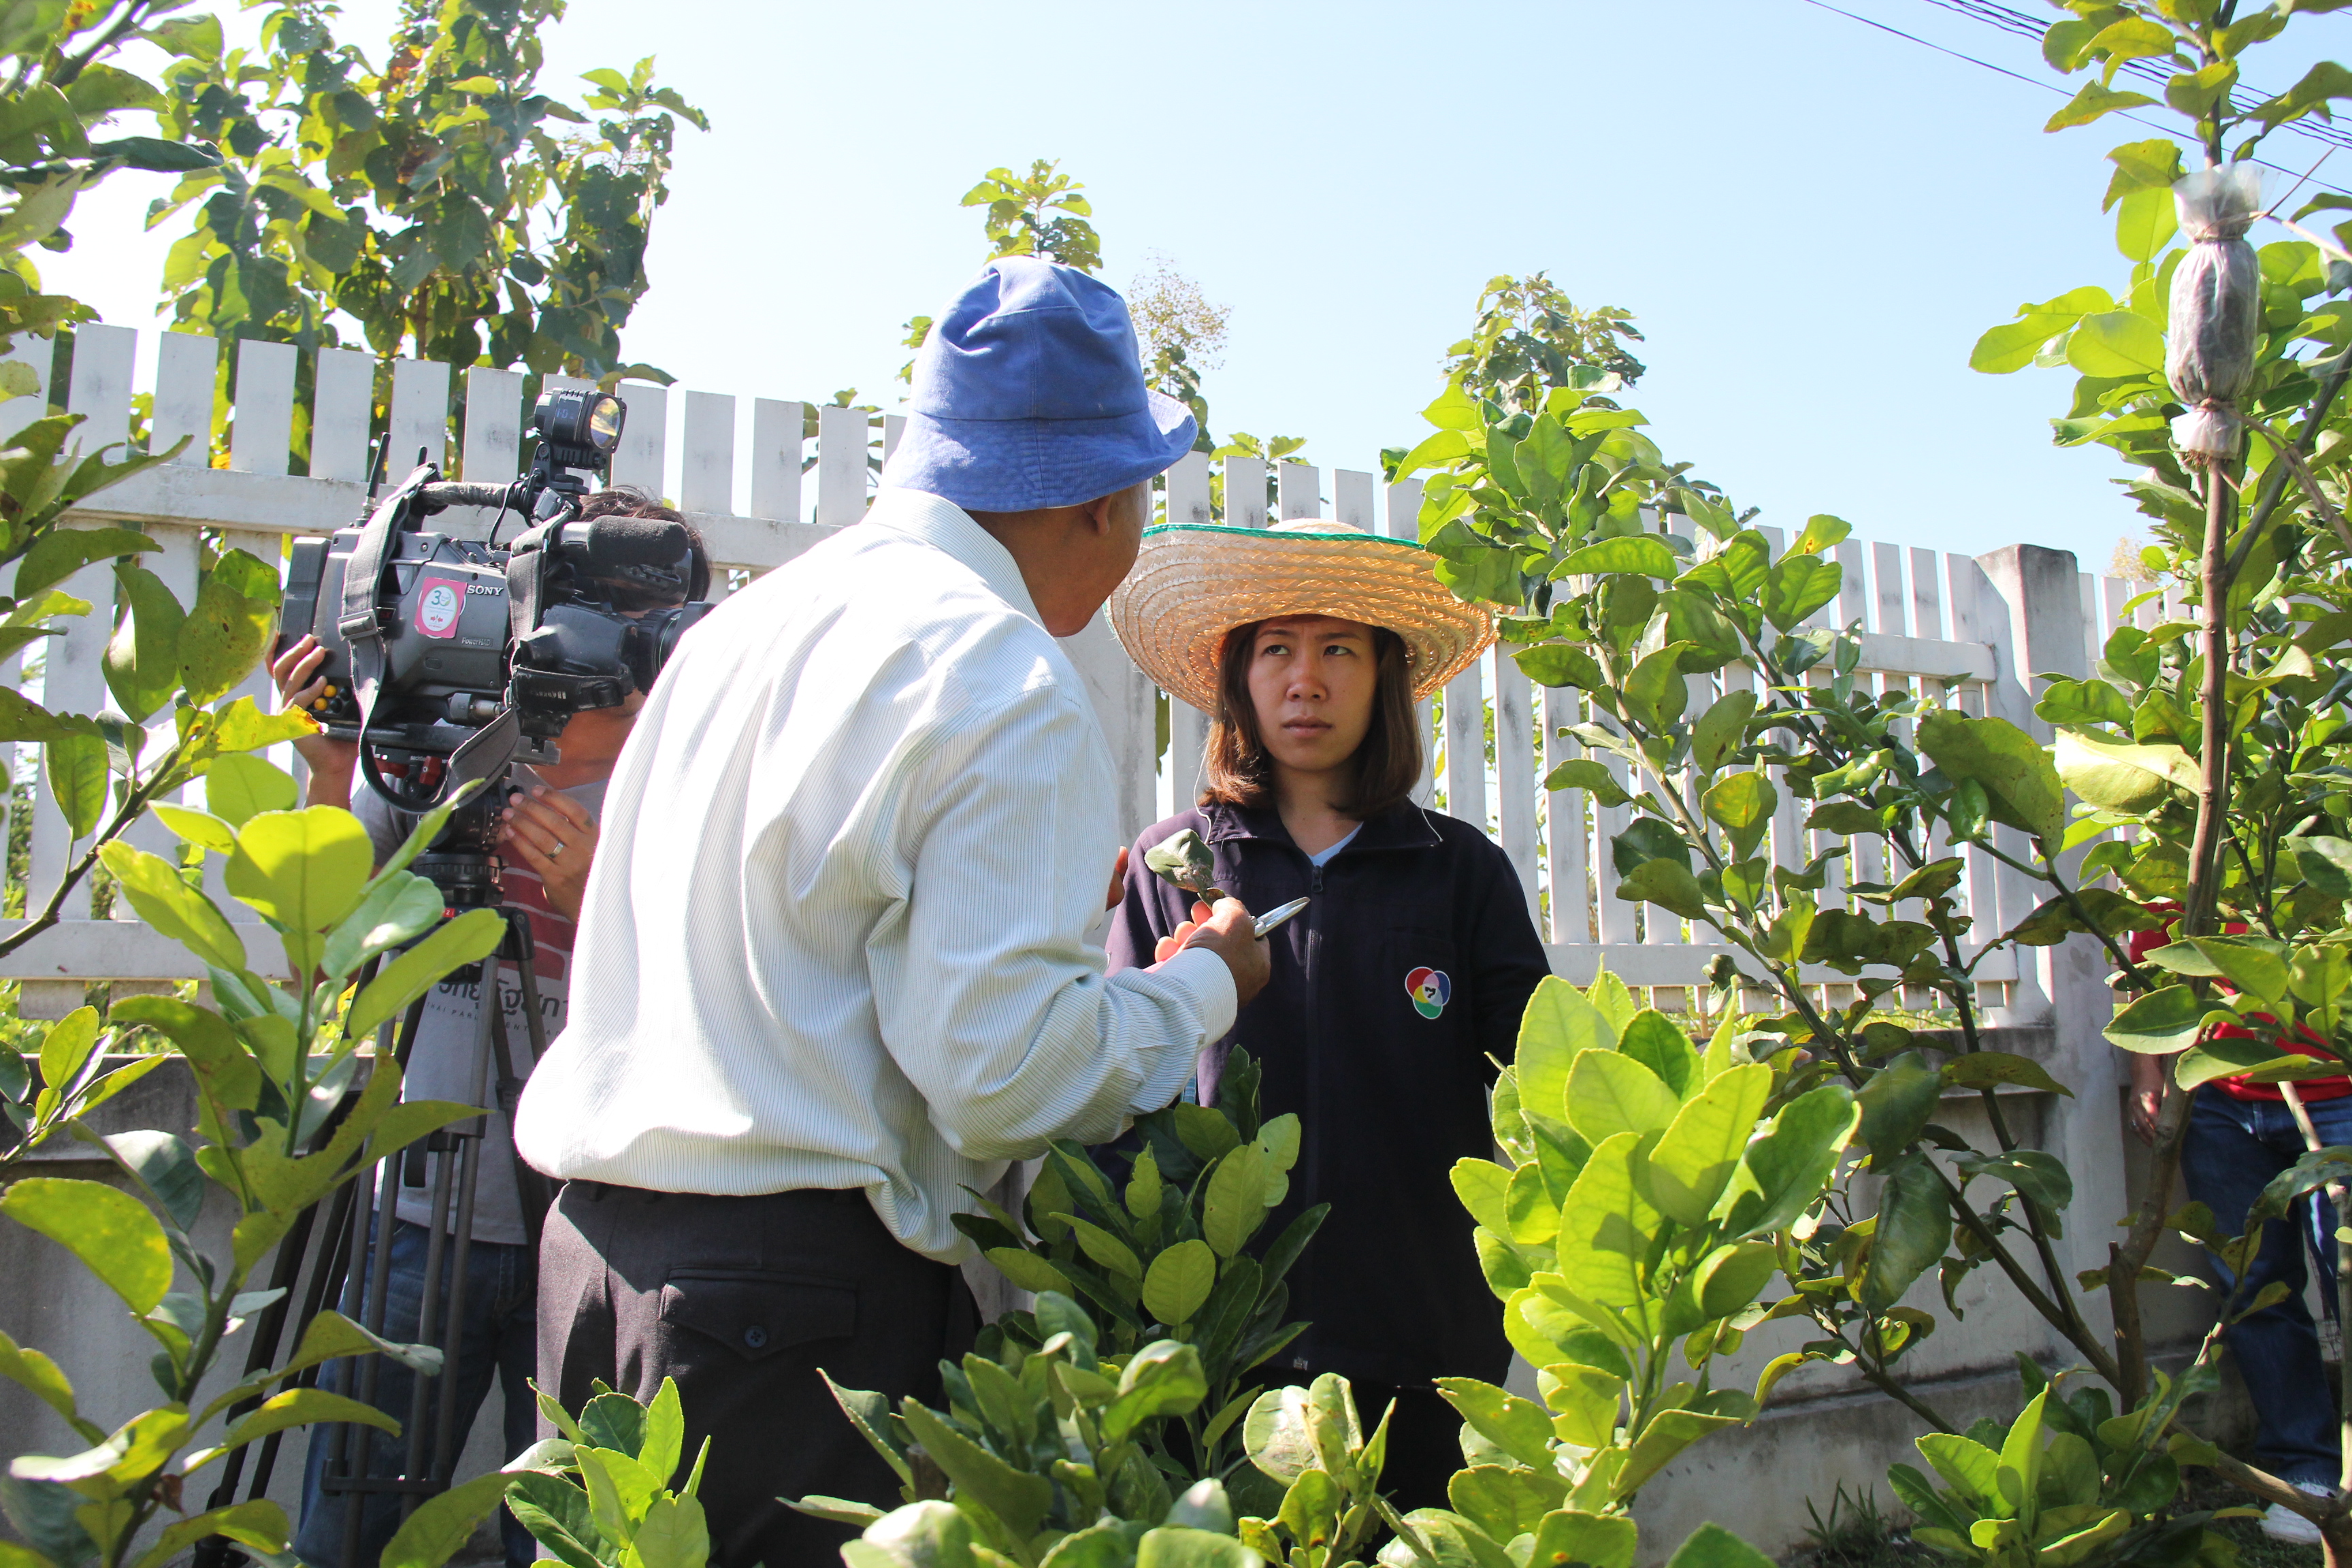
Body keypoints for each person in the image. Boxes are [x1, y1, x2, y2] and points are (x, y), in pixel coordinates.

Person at [512, 256, 1271, 1568]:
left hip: (593, 1259)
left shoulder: (741, 628)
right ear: (1102, 499)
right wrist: (1203, 984)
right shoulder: (1002, 671)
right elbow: (1000, 1077)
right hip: (785, 1308)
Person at [274, 486, 704, 1568]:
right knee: (346, 1536)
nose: (640, 667)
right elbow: (323, 972)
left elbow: (709, 1023)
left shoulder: (683, 800)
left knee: (569, 1540)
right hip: (420, 1219)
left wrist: (597, 902)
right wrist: (334, 771)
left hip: (597, 1231)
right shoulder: (426, 767)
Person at [1101, 517, 1552, 1509]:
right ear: (1239, 678)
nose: (1306, 681)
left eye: (1339, 650)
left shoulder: (1460, 873)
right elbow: (1115, 1093)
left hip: (1423, 1337)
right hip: (1219, 1340)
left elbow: (1544, 1088)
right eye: (1277, 649)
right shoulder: (1176, 865)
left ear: (1385, 675)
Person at [2127, 921, 2349, 1544]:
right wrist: (2147, 1074)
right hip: (2219, 1100)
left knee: (2347, 1275)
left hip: (2339, 1091)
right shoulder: (2179, 863)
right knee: (2253, 1285)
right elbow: (2147, 966)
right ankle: (2306, 1472)